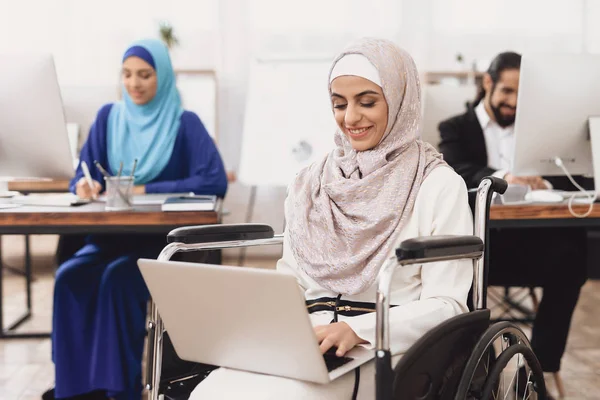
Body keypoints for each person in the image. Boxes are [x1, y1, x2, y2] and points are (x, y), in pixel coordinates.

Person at [189, 38, 473, 399]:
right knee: (209, 393)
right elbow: (291, 281)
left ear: (401, 99)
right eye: (339, 104)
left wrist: (361, 329)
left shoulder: (437, 185)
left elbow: (448, 306)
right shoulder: (312, 183)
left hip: (387, 351)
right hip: (307, 343)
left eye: (367, 102)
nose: (350, 118)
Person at [45, 39, 228, 400]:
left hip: (160, 246)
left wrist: (145, 188)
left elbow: (213, 180)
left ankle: (120, 390)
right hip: (109, 238)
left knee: (117, 280)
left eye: (145, 75)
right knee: (69, 277)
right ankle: (78, 389)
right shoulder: (108, 118)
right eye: (127, 74)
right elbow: (81, 176)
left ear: (163, 77)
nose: (135, 83)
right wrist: (84, 184)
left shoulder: (183, 122)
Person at [438, 52, 589, 379]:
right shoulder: (455, 128)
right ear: (488, 83)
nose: (514, 102)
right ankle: (480, 369)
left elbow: (577, 174)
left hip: (531, 245)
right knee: (451, 269)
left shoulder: (545, 131)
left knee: (573, 257)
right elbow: (454, 171)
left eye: (522, 95)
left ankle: (538, 370)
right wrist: (506, 176)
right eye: (507, 91)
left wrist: (542, 180)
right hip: (480, 249)